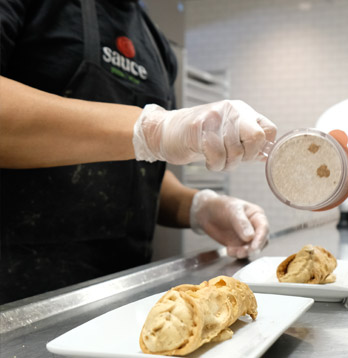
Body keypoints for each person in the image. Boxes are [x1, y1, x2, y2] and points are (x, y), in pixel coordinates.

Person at [0, 0, 277, 303]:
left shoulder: (156, 44)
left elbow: (135, 178)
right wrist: (153, 129)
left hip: (123, 294)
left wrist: (201, 208)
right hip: (18, 296)